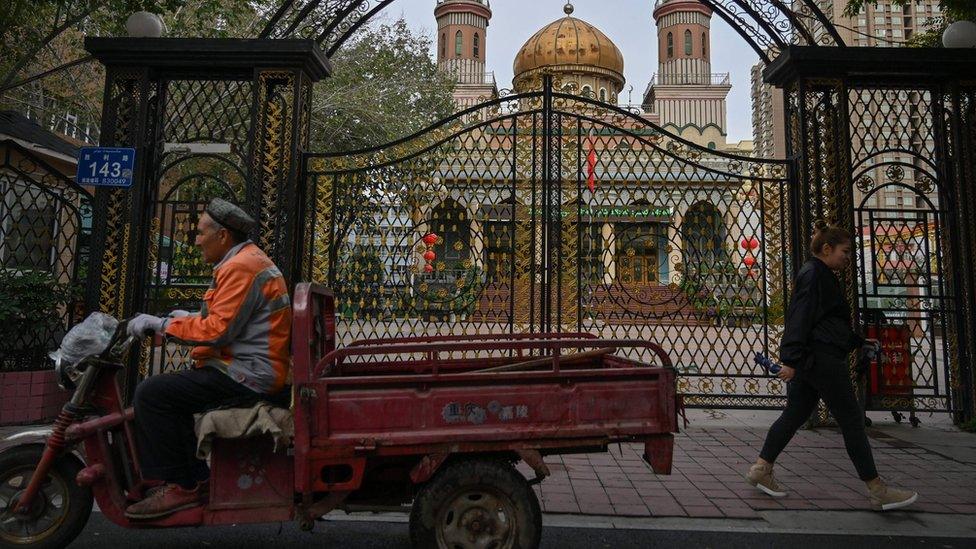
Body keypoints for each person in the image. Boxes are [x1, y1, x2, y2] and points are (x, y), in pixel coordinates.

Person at [123, 198, 292, 519]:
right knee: (172, 391)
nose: (197, 240)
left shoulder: (240, 267)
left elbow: (217, 331)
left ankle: (181, 485)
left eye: (201, 233)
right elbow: (230, 319)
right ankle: (196, 476)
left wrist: (161, 324)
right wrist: (184, 317)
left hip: (248, 375)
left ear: (223, 235)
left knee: (153, 394)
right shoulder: (248, 261)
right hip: (249, 368)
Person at [746, 225, 918, 512]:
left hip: (814, 358)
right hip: (822, 360)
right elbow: (799, 316)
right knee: (851, 420)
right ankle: (878, 490)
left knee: (794, 414)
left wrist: (857, 341)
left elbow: (826, 321)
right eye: (845, 252)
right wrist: (790, 359)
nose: (848, 258)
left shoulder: (820, 274)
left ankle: (762, 468)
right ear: (827, 249)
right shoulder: (814, 275)